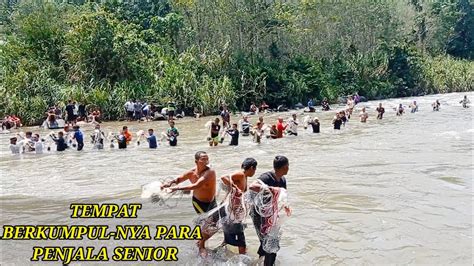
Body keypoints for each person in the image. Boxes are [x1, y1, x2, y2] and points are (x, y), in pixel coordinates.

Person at [161, 151, 217, 257]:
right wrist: (168, 184)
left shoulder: (210, 172)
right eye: (203, 159)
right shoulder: (192, 172)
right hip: (199, 203)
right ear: (196, 161)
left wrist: (175, 188)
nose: (206, 161)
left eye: (207, 158)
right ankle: (201, 245)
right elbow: (179, 179)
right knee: (209, 224)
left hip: (212, 202)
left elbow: (196, 185)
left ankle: (199, 242)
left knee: (215, 226)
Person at [249, 156, 292, 266]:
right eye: (288, 166)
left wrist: (286, 207)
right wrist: (271, 189)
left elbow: (282, 197)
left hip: (272, 215)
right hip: (259, 214)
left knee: (268, 241)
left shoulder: (282, 179)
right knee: (270, 243)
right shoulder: (267, 177)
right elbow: (252, 186)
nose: (288, 168)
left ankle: (261, 260)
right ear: (284, 167)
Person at [220, 158, 258, 254]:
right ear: (252, 168)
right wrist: (234, 187)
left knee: (230, 236)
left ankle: (220, 253)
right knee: (241, 241)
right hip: (229, 210)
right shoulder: (240, 174)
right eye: (255, 169)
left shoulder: (245, 176)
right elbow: (223, 177)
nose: (255, 172)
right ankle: (242, 259)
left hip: (233, 210)